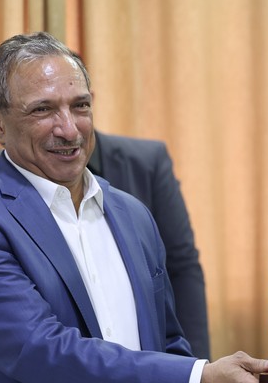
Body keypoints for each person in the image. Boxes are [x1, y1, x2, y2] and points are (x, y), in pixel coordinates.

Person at [0, 31, 268, 383]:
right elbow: (42, 349)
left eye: (80, 106)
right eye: (43, 110)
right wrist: (200, 381)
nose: (69, 129)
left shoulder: (131, 213)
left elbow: (165, 339)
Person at [88, 131, 211, 359]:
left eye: (79, 110)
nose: (67, 125)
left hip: (152, 360)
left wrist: (198, 366)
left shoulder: (147, 161)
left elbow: (182, 265)